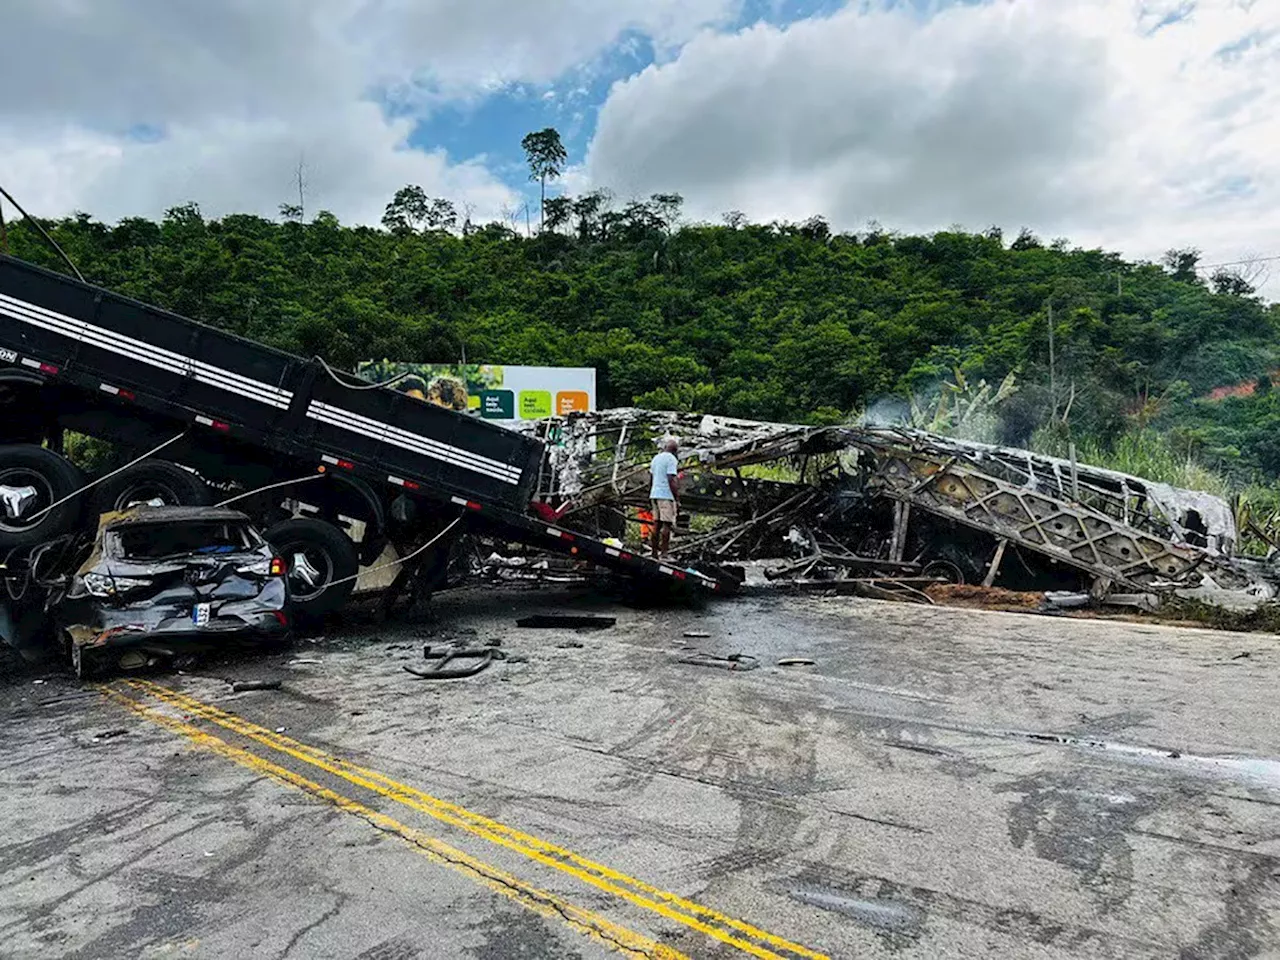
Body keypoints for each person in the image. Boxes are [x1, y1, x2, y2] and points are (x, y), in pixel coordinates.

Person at [648, 438, 680, 558]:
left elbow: (651, 478)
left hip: (654, 493)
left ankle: (654, 553)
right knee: (667, 525)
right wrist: (676, 497)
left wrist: (651, 492)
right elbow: (671, 479)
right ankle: (664, 553)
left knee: (656, 524)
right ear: (674, 450)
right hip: (666, 495)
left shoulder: (656, 458)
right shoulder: (671, 459)